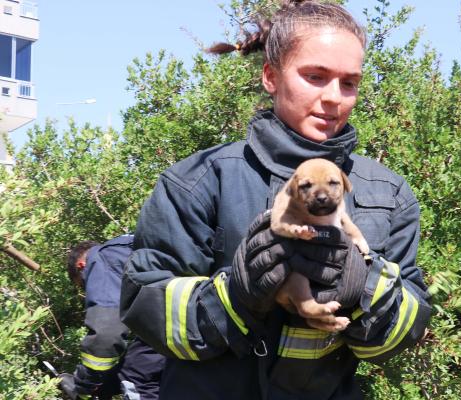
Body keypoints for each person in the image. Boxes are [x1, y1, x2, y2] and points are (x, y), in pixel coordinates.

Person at [120, 1, 431, 399]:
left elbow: (404, 329)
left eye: (349, 82)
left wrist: (364, 288)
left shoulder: (387, 193)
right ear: (270, 76)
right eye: (315, 76)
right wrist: (235, 293)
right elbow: (145, 307)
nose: (334, 97)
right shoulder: (199, 180)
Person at [60, 236, 166, 400]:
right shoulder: (131, 246)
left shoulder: (101, 257)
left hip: (178, 322)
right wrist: (102, 388)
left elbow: (106, 335)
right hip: (199, 315)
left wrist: (84, 383)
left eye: (83, 284)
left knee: (135, 377)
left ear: (81, 266)